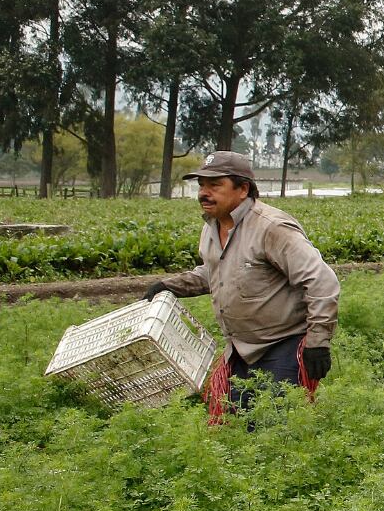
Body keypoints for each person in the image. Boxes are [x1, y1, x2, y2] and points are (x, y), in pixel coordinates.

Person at [143, 152, 339, 418]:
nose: (204, 193)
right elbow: (215, 272)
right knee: (235, 428)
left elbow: (321, 281)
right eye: (201, 185)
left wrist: (318, 342)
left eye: (215, 185)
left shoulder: (271, 228)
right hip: (239, 349)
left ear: (243, 188)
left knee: (276, 428)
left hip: (282, 344)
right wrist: (170, 285)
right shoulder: (212, 227)